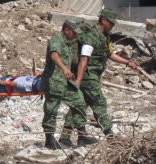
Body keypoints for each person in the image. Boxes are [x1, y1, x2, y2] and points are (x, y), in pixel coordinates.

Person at [59, 9, 139, 147]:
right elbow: (84, 59)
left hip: (92, 75)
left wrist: (127, 62)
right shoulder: (91, 37)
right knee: (99, 104)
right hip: (88, 77)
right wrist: (78, 80)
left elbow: (110, 54)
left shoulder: (104, 36)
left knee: (80, 106)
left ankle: (69, 137)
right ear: (103, 20)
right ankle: (110, 137)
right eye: (111, 22)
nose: (113, 25)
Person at [41, 19, 96, 150]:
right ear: (66, 30)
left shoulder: (68, 43)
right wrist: (65, 68)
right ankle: (49, 139)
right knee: (51, 110)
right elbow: (54, 55)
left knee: (79, 102)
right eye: (74, 32)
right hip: (53, 82)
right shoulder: (57, 40)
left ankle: (82, 135)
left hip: (66, 82)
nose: (76, 35)